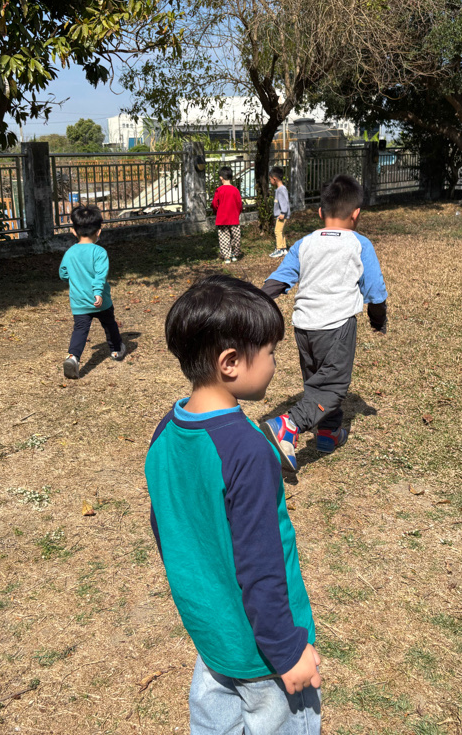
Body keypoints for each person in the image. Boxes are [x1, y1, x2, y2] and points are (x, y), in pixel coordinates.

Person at [145, 275, 322, 734]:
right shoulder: (248, 451)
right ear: (230, 362)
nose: (275, 363)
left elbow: (166, 526)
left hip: (210, 636)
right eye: (271, 352)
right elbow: (261, 562)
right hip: (263, 655)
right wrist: (287, 651)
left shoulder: (165, 433)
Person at [260, 174, 387, 474]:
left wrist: (255, 302)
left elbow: (278, 281)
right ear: (356, 214)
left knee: (316, 381)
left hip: (304, 328)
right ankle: (288, 425)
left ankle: (328, 433)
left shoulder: (304, 243)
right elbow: (375, 291)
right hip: (337, 327)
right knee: (332, 387)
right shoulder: (359, 243)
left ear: (320, 212)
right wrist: (377, 320)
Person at [58, 205, 126, 379]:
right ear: (99, 231)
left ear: (73, 231)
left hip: (79, 302)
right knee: (110, 324)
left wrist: (73, 280)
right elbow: (100, 275)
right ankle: (116, 350)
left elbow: (63, 273)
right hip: (101, 301)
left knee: (80, 330)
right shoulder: (99, 252)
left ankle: (73, 357)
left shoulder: (70, 253)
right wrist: (97, 292)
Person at [211, 166, 244, 263]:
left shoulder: (219, 190)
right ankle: (234, 254)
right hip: (234, 218)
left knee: (224, 237)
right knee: (235, 237)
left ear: (221, 177)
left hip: (222, 219)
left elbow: (214, 204)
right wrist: (237, 213)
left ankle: (227, 256)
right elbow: (239, 204)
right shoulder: (235, 190)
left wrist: (217, 212)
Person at [268, 166, 291, 258]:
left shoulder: (281, 189)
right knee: (281, 231)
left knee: (277, 231)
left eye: (270, 179)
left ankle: (279, 249)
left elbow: (284, 202)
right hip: (282, 214)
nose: (270, 181)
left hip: (282, 215)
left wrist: (283, 213)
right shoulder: (281, 189)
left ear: (274, 178)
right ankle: (284, 248)